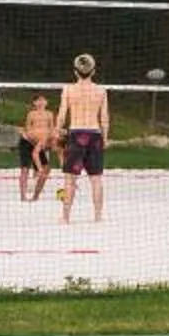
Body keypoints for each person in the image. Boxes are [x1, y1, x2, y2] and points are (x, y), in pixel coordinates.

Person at [58, 54, 109, 222]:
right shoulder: (101, 90)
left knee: (70, 179)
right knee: (96, 179)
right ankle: (98, 216)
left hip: (76, 134)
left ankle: (66, 217)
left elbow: (62, 114)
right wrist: (105, 137)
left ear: (75, 72)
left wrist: (58, 132)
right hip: (94, 134)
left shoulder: (68, 89)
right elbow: (104, 117)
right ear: (93, 71)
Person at [15, 93, 59, 203]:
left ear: (46, 102)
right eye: (38, 100)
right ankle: (23, 196)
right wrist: (33, 139)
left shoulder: (49, 114)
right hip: (28, 142)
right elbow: (28, 128)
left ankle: (36, 196)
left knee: (46, 169)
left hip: (40, 142)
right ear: (34, 103)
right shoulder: (31, 114)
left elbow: (52, 128)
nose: (41, 102)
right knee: (25, 169)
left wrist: (52, 139)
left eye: (43, 100)